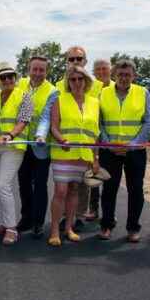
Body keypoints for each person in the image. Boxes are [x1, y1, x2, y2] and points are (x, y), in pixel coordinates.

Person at [97, 59, 150, 242]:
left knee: (135, 189)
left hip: (135, 151)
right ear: (114, 75)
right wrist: (108, 143)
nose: (123, 78)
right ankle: (106, 226)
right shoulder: (103, 93)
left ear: (134, 76)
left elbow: (149, 120)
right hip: (110, 150)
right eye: (120, 74)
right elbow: (98, 122)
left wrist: (134, 144)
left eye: (127, 74)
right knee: (109, 189)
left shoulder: (142, 92)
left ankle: (133, 228)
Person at [48, 65, 100, 247]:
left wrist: (95, 159)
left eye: (80, 79)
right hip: (63, 152)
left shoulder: (94, 102)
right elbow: (54, 126)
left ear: (86, 81)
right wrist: (61, 139)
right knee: (60, 191)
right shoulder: (59, 99)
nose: (77, 82)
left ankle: (69, 228)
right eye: (73, 79)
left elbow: (95, 133)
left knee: (74, 191)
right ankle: (55, 230)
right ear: (68, 82)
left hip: (83, 155)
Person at [55, 46, 103, 230]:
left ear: (85, 61)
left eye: (79, 58)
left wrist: (97, 153)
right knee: (64, 186)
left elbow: (102, 117)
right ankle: (66, 217)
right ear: (67, 61)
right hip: (65, 144)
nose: (75, 62)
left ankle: (80, 216)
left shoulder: (98, 85)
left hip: (88, 143)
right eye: (72, 59)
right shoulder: (59, 86)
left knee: (84, 184)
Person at [0, 62, 33, 246]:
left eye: (10, 77)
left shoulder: (24, 96)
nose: (7, 80)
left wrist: (10, 134)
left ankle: (12, 229)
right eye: (3, 77)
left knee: (2, 185)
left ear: (15, 79)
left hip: (14, 147)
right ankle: (5, 223)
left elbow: (24, 120)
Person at [16, 56, 57, 238]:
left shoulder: (52, 91)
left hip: (40, 145)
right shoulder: (20, 85)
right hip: (22, 145)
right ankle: (26, 218)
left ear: (46, 71)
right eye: (35, 69)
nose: (38, 73)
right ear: (28, 69)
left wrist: (40, 135)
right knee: (23, 184)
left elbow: (46, 117)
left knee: (40, 186)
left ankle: (38, 223)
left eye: (42, 70)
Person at [85, 59, 112, 220]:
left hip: (112, 138)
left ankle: (109, 212)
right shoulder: (91, 89)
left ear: (111, 70)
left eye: (104, 69)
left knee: (110, 177)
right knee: (93, 173)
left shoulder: (118, 87)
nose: (101, 72)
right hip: (94, 137)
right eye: (98, 70)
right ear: (94, 72)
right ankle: (93, 209)